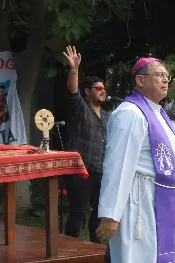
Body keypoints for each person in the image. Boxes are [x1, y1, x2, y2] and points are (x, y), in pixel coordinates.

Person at [96, 58, 175, 263]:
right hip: (142, 203)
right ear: (140, 80)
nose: (165, 80)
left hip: (165, 200)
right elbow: (118, 165)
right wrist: (111, 214)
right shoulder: (130, 113)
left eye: (167, 76)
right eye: (159, 75)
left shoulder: (159, 113)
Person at [62, 46, 109, 243]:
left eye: (104, 88)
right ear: (88, 92)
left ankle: (94, 251)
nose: (103, 91)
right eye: (98, 88)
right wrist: (74, 68)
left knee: (99, 213)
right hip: (80, 169)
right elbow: (73, 91)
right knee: (78, 212)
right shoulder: (82, 108)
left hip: (101, 170)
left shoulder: (108, 117)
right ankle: (69, 252)